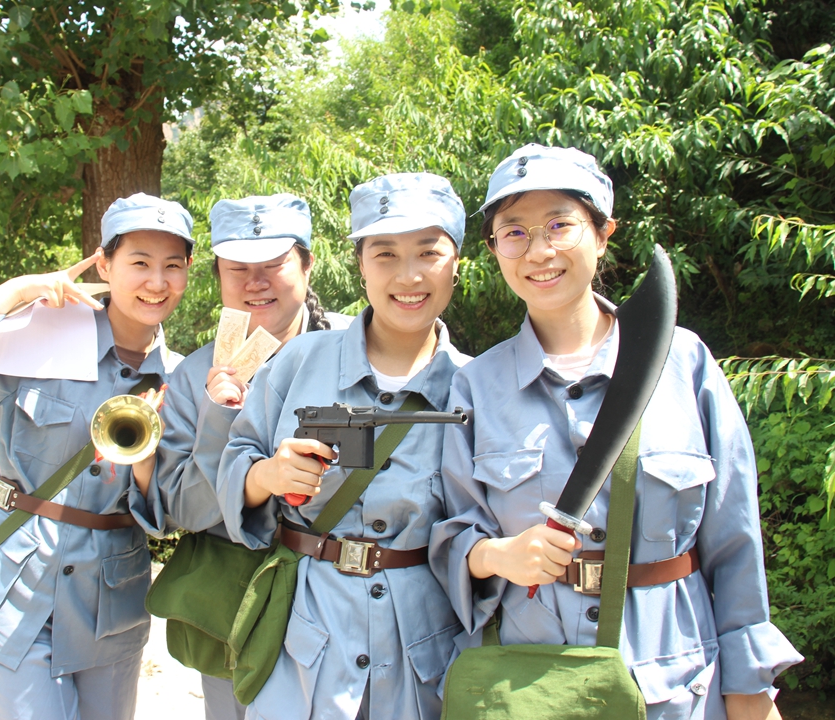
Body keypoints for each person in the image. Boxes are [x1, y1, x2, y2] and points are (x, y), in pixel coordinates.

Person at [429, 144, 802, 720]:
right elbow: (455, 532)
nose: (539, 251)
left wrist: (750, 688)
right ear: (495, 249)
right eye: (515, 233)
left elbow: (733, 536)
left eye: (560, 225)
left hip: (674, 682)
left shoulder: (682, 362)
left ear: (603, 234)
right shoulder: (476, 385)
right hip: (530, 682)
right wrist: (498, 555)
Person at [0, 193, 195, 720]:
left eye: (173, 266)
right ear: (104, 265)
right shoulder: (38, 343)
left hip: (110, 605)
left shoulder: (182, 379)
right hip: (17, 589)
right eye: (139, 263)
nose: (156, 282)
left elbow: (168, 515)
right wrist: (15, 292)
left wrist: (147, 458)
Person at [216, 173, 471, 719]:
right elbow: (239, 456)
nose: (408, 275)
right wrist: (266, 476)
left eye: (428, 252)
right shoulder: (299, 360)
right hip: (307, 637)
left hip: (422, 651)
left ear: (457, 263)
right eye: (385, 254)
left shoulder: (476, 387)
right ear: (360, 265)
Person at [132, 193, 351, 720]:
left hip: (343, 597)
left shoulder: (359, 347)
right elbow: (185, 512)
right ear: (218, 277)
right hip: (238, 606)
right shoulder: (193, 377)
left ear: (307, 265)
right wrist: (219, 416)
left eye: (273, 265)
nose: (256, 282)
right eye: (238, 269)